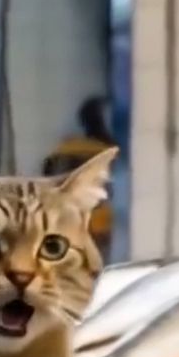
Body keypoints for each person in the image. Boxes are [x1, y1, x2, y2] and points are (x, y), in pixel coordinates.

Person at [42, 94, 117, 252]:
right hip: (98, 222)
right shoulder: (106, 153)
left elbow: (47, 173)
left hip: (65, 219)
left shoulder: (64, 149)